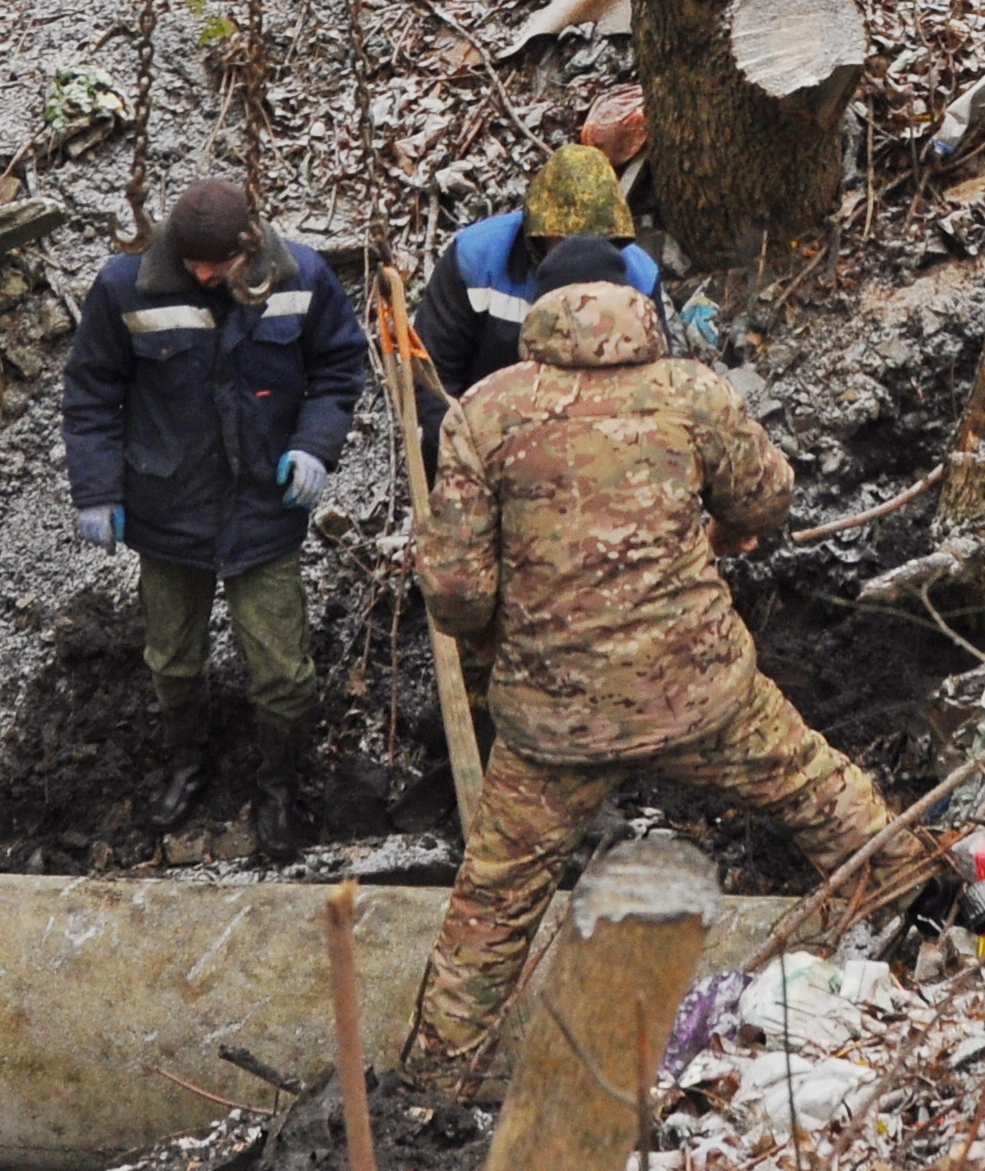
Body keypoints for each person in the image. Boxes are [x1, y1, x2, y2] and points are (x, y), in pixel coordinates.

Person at [391, 259, 932, 1089]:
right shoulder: (691, 391)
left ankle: (429, 1089)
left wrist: (498, 638)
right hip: (701, 690)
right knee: (815, 790)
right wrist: (711, 532)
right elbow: (766, 497)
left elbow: (456, 591)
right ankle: (934, 926)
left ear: (542, 316)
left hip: (552, 721)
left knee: (493, 903)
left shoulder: (483, 412)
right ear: (637, 309)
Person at [62, 176, 367, 858]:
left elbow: (340, 367)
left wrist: (315, 445)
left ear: (247, 246)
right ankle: (185, 759)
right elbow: (90, 393)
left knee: (283, 671)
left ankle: (281, 782)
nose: (202, 275)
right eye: (192, 261)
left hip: (265, 507)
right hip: (168, 510)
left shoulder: (302, 276)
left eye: (216, 264)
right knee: (171, 659)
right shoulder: (125, 287)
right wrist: (96, 491)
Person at [407, 143, 658, 471]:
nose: (577, 254)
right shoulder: (479, 259)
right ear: (538, 233)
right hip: (483, 430)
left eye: (595, 243)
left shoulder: (639, 276)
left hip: (593, 438)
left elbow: (652, 384)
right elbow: (431, 372)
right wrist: (464, 451)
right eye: (564, 241)